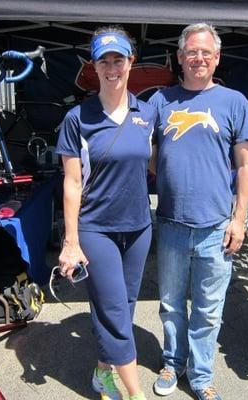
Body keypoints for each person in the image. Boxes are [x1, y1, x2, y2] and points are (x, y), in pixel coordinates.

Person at [148, 23, 248, 400]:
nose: (198, 58)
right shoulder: (161, 101)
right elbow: (147, 152)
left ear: (217, 58)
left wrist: (239, 219)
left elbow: (246, 165)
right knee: (170, 305)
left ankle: (200, 376)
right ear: (179, 57)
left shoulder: (234, 102)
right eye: (191, 52)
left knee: (209, 311)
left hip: (216, 227)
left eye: (205, 53)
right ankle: (171, 362)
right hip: (172, 224)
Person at [56, 26, 156, 400]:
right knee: (115, 311)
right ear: (93, 67)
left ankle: (103, 372)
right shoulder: (77, 118)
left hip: (139, 228)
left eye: (119, 59)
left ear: (131, 62)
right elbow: (71, 182)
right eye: (104, 60)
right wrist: (70, 242)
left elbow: (157, 163)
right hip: (96, 230)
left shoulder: (148, 113)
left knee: (122, 307)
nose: (112, 67)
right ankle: (135, 394)